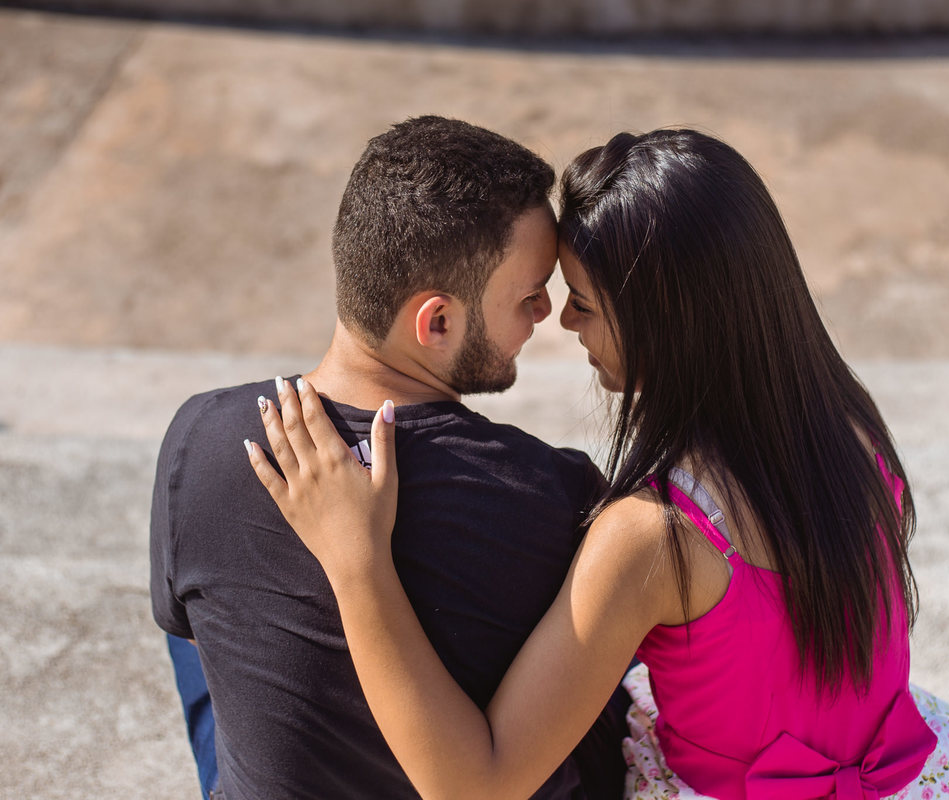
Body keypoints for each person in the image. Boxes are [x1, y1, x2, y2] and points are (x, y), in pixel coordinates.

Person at [249, 129, 949, 800]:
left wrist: (356, 561)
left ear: (663, 323)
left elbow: (477, 786)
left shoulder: (654, 537)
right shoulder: (850, 430)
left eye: (584, 302)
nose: (562, 321)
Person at [150, 116, 629, 800]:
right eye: (529, 294)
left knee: (200, 622)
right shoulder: (553, 494)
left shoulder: (203, 434)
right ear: (436, 322)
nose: (547, 313)